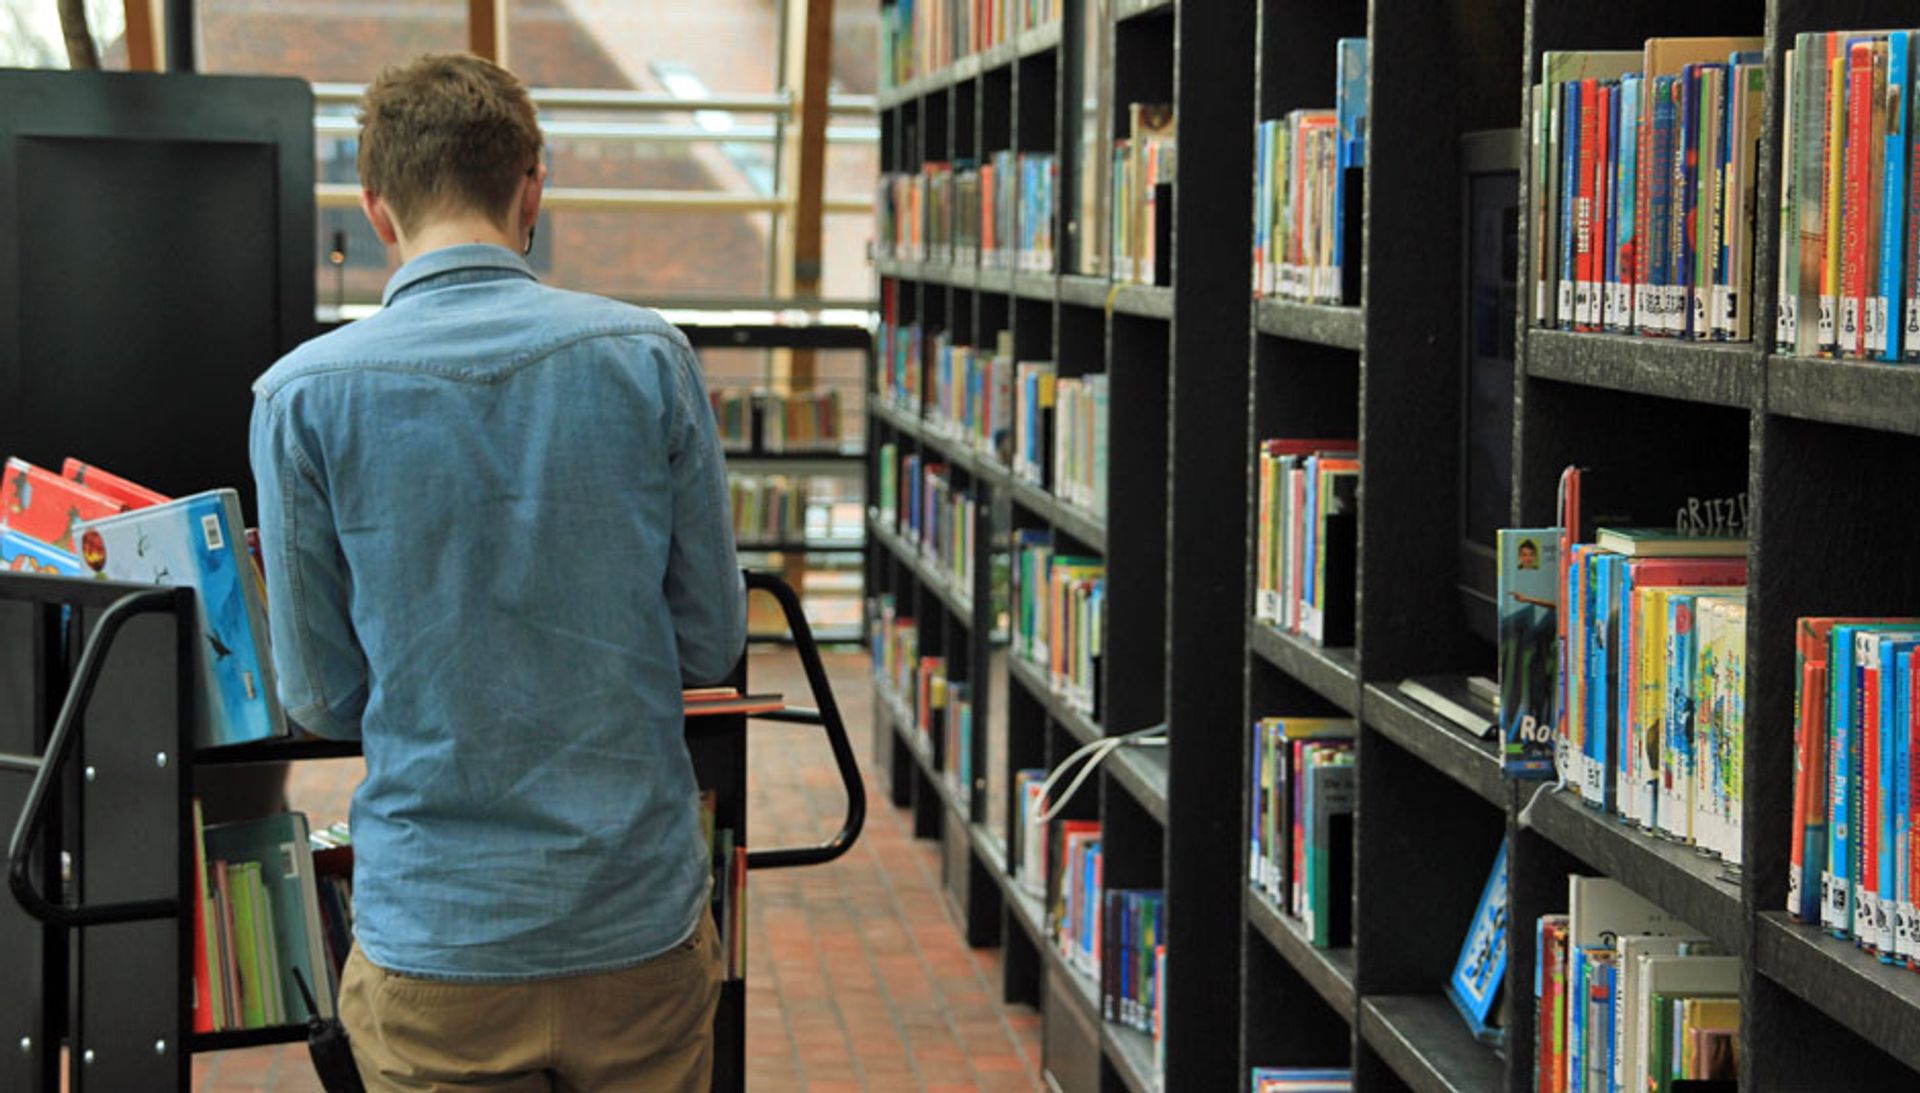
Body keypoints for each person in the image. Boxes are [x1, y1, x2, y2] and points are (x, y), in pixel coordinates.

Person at [249, 52, 745, 1092]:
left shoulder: (300, 398)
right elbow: (710, 643)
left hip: (438, 939)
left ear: (378, 210)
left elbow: (321, 694)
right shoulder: (650, 356)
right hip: (636, 923)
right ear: (533, 188)